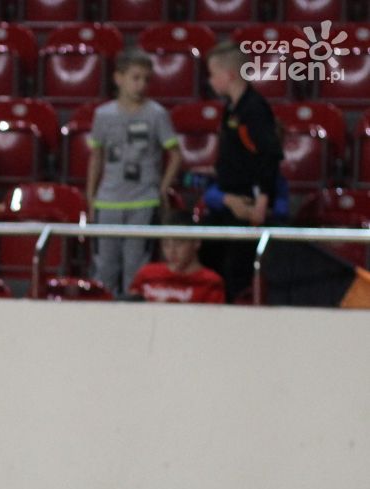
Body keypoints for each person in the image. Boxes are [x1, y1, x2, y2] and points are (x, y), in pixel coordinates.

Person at [86, 50, 182, 297]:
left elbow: (175, 154)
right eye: (135, 78)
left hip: (143, 201)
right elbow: (96, 157)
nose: (141, 85)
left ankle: (134, 313)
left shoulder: (157, 114)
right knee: (105, 268)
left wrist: (162, 188)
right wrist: (91, 196)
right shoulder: (103, 115)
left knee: (137, 270)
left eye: (146, 79)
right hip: (108, 201)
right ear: (119, 78)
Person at [201, 40, 283, 303]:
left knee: (237, 273)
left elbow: (268, 156)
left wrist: (261, 202)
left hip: (247, 205)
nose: (209, 80)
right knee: (208, 259)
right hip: (227, 202)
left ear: (229, 75)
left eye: (212, 74)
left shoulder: (254, 109)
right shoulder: (231, 109)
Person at [129, 218, 226, 304]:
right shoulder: (147, 274)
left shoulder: (210, 281)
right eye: (166, 244)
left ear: (196, 242)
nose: (172, 251)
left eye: (179, 243)